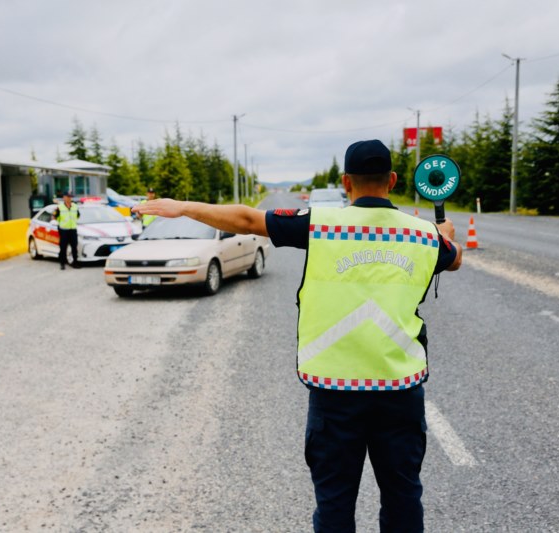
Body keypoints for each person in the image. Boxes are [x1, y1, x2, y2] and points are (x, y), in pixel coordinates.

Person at [133, 139, 462, 532]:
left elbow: (245, 220)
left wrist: (182, 207)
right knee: (403, 495)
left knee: (335, 501)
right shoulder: (423, 235)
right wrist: (445, 234)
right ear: (391, 180)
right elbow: (454, 257)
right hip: (400, 391)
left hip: (333, 390)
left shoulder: (321, 224)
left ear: (345, 182)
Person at [53, 191, 80, 270]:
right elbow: (54, 217)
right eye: (68, 197)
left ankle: (75, 262)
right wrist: (60, 224)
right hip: (63, 230)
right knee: (63, 248)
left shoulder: (75, 206)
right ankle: (62, 263)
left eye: (70, 197)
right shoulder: (60, 207)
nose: (69, 198)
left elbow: (78, 215)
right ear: (64, 197)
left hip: (73, 229)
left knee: (74, 247)